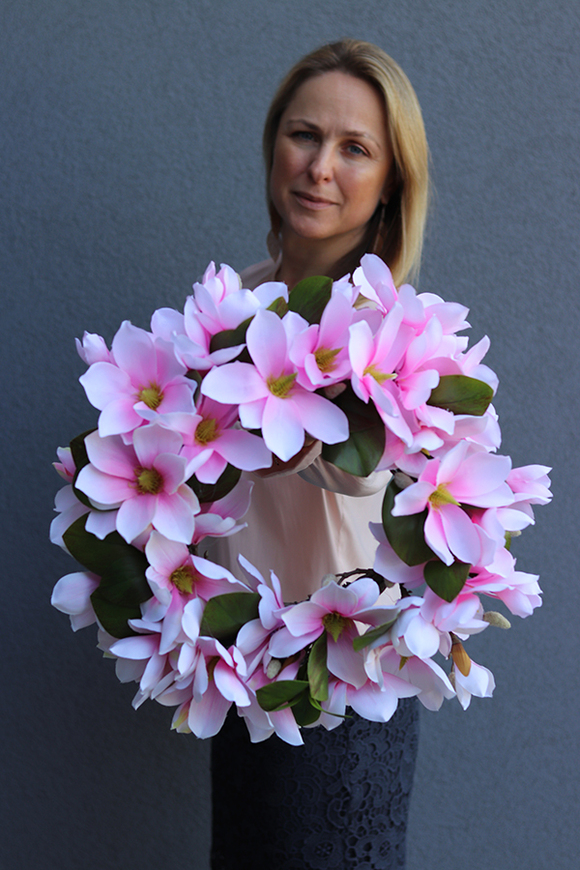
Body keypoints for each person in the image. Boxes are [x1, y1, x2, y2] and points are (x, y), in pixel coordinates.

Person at [209, 39, 430, 870]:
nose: (318, 168)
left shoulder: (398, 337)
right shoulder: (229, 304)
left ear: (389, 187)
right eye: (304, 135)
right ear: (273, 145)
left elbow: (362, 463)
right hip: (235, 682)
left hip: (348, 692)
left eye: (355, 149)